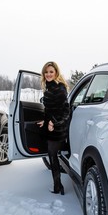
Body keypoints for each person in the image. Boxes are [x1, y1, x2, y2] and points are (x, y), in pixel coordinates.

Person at [37, 61, 70, 195]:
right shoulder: (49, 88)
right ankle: (57, 186)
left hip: (57, 129)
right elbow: (50, 110)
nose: (48, 74)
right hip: (50, 127)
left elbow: (65, 112)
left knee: (53, 156)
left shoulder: (59, 88)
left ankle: (58, 186)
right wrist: (45, 121)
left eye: (51, 71)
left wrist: (53, 123)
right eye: (46, 72)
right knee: (52, 156)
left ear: (56, 72)